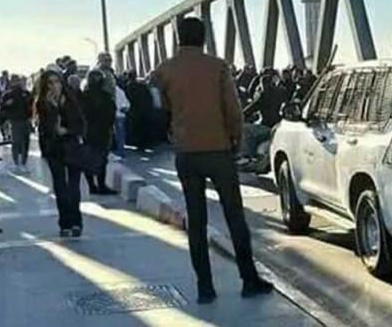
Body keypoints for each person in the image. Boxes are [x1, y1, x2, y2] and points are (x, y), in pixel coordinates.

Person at [152, 17, 272, 304]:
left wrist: (175, 130)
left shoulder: (164, 70)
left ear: (179, 38)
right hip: (218, 150)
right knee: (234, 216)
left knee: (196, 220)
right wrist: (235, 140)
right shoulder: (217, 67)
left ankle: (205, 287)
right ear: (204, 38)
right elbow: (233, 110)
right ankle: (248, 279)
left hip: (186, 153)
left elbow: (161, 108)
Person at [34, 70, 86, 237]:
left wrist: (68, 131)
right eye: (50, 83)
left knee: (73, 187)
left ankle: (76, 222)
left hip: (71, 147)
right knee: (60, 187)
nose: (54, 86)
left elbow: (81, 125)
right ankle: (65, 223)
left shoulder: (71, 100)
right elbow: (47, 129)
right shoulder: (43, 104)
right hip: (54, 149)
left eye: (56, 81)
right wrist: (54, 108)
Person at [81, 70, 117, 195]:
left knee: (88, 160)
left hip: (87, 133)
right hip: (103, 133)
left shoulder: (82, 97)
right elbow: (111, 116)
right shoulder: (107, 97)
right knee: (102, 160)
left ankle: (92, 186)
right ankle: (101, 185)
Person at [0, 75, 33, 174]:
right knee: (16, 142)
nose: (17, 82)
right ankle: (17, 163)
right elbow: (2, 107)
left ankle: (23, 163)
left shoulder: (26, 94)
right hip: (14, 121)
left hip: (25, 120)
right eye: (15, 81)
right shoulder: (7, 95)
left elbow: (31, 106)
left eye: (18, 80)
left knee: (25, 142)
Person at [112, 83, 131, 160]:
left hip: (117, 115)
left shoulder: (116, 92)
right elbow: (127, 104)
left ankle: (120, 152)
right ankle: (120, 151)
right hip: (120, 115)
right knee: (120, 134)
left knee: (119, 135)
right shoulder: (120, 91)